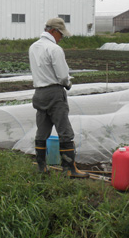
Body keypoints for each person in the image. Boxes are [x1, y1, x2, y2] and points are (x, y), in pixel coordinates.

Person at [28, 18, 89, 178]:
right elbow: (62, 76)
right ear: (54, 31)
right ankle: (69, 169)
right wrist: (67, 83)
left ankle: (42, 167)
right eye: (61, 34)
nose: (61, 38)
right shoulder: (54, 49)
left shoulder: (33, 47)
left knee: (42, 131)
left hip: (39, 93)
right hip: (54, 92)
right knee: (65, 131)